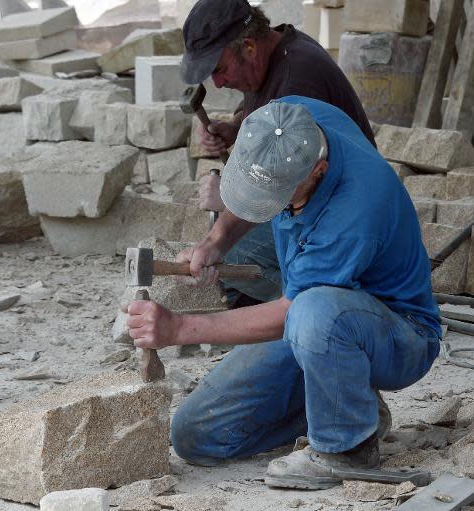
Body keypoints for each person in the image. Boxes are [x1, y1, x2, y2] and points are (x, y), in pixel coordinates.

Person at [126, 97, 441, 489]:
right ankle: (354, 406)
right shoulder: (286, 119)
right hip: (322, 321)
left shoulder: (355, 213)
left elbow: (289, 313)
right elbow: (260, 179)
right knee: (195, 435)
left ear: (318, 170)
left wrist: (178, 329)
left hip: (398, 335)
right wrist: (216, 242)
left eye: (281, 195)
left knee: (313, 311)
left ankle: (345, 447)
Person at [180, 0, 375, 307]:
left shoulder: (296, 79)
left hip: (341, 210)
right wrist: (235, 128)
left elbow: (290, 184)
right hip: (314, 198)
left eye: (219, 69)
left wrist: (233, 204)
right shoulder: (270, 54)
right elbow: (258, 106)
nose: (217, 83)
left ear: (248, 46)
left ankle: (316, 301)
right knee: (226, 239)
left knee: (232, 253)